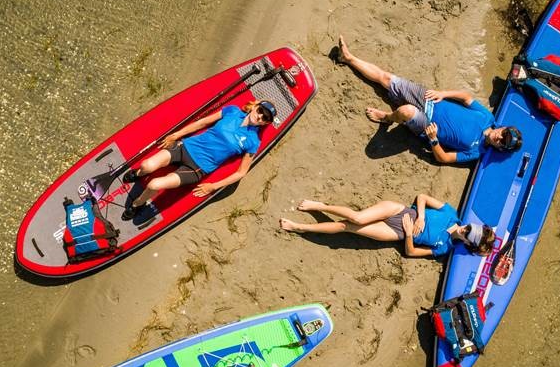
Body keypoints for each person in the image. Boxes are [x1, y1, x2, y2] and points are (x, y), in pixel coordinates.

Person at [335, 35, 522, 164]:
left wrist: (433, 140)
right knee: (387, 79)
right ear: (503, 127)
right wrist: (442, 93)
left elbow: (444, 159)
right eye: (503, 133)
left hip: (426, 125)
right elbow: (466, 98)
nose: (499, 137)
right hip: (431, 100)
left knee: (405, 111)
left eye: (502, 142)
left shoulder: (475, 152)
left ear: (499, 148)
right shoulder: (487, 118)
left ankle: (387, 118)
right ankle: (349, 58)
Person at [120, 100, 276, 220]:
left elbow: (241, 173)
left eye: (265, 118)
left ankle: (137, 204)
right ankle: (138, 174)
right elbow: (203, 123)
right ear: (255, 107)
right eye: (260, 111)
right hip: (185, 147)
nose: (260, 116)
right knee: (146, 165)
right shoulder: (233, 111)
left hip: (197, 169)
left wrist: (213, 187)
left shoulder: (253, 141)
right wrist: (176, 135)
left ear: (266, 123)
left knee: (154, 184)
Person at [278, 193, 495, 259]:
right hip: (400, 211)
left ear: (467, 242)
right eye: (468, 226)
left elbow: (410, 252)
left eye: (467, 233)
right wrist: (420, 217)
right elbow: (422, 197)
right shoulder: (451, 214)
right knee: (358, 218)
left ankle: (300, 227)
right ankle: (321, 205)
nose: (464, 229)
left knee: (347, 227)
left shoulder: (443, 248)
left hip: (397, 232)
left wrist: (409, 233)